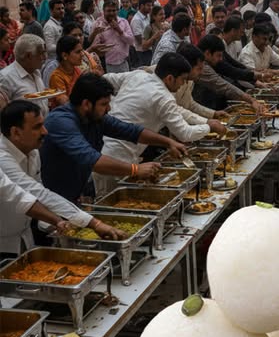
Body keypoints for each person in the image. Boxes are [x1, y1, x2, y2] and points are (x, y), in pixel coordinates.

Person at [0, 100, 125, 253]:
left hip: (24, 236)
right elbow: (36, 193)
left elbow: (38, 191)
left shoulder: (32, 151)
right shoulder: (3, 159)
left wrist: (55, 222)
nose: (45, 132)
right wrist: (94, 224)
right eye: (37, 127)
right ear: (15, 132)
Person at [40, 73, 186, 202]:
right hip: (52, 199)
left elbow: (131, 131)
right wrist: (135, 169)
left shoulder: (95, 117)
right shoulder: (61, 122)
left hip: (75, 193)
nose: (109, 109)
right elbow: (93, 160)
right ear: (86, 104)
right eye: (104, 104)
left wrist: (168, 142)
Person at [96, 53, 225, 193]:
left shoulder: (138, 75)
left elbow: (105, 78)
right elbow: (185, 133)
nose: (183, 84)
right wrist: (209, 126)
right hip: (117, 159)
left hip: (102, 149)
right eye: (182, 80)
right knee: (113, 202)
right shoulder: (164, 97)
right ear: (169, 78)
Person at [193, 34, 265, 112]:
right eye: (218, 55)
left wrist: (257, 75)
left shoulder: (209, 61)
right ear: (207, 53)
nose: (221, 59)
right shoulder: (203, 67)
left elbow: (233, 68)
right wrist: (251, 100)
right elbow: (224, 86)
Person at [0, 34, 47, 115]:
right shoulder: (6, 78)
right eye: (41, 53)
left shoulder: (36, 72)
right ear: (28, 56)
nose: (45, 57)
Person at [91, 0, 135, 73]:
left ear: (117, 11)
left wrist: (119, 30)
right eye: (108, 11)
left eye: (114, 10)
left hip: (123, 63)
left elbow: (131, 41)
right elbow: (95, 46)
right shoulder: (98, 24)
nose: (111, 13)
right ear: (103, 11)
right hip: (106, 64)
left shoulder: (123, 22)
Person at [49, 35, 83, 107]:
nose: (82, 54)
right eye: (78, 52)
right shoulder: (56, 77)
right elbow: (65, 103)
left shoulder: (77, 70)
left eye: (81, 51)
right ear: (65, 56)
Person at [130, 0, 153, 66]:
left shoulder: (148, 16)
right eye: (148, 5)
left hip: (149, 49)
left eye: (151, 5)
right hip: (141, 53)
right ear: (142, 6)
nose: (150, 8)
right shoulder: (136, 20)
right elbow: (140, 40)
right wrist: (154, 37)